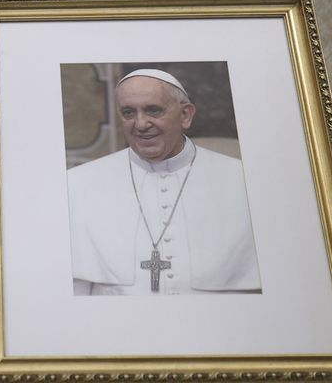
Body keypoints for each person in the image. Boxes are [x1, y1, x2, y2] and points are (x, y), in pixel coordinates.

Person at [67, 68, 262, 296]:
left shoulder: (244, 181)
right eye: (128, 113)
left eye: (153, 110)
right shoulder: (78, 184)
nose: (140, 124)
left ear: (185, 115)